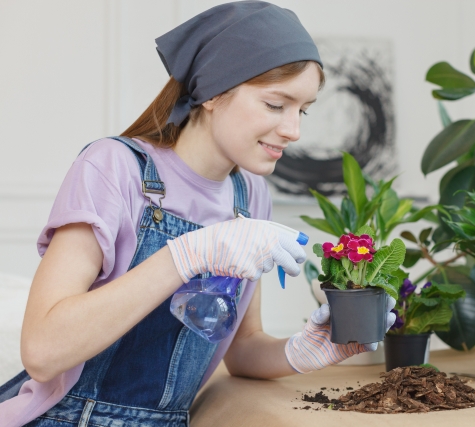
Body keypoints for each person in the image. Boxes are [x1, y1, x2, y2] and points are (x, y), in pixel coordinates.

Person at [0, 2, 395, 426]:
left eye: (304, 109)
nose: (294, 130)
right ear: (212, 92)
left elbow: (242, 350)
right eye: (276, 104)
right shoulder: (113, 168)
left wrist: (302, 351)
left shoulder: (250, 196)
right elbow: (42, 353)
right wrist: (186, 254)